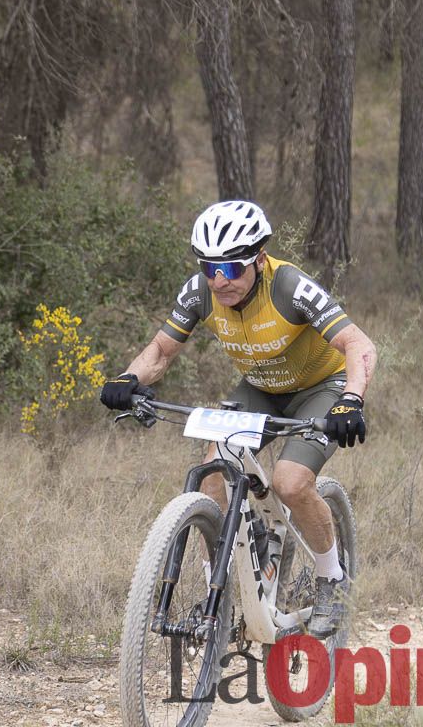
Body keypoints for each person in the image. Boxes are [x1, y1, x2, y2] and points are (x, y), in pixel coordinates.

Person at [100, 200, 377, 638]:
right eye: (210, 268)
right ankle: (231, 579)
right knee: (214, 474)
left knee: (289, 482)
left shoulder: (290, 287)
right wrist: (128, 377)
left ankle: (332, 577)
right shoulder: (199, 292)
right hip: (261, 389)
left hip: (320, 389)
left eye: (231, 268)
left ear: (259, 259)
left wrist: (352, 399)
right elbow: (160, 352)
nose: (219, 280)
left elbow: (359, 344)